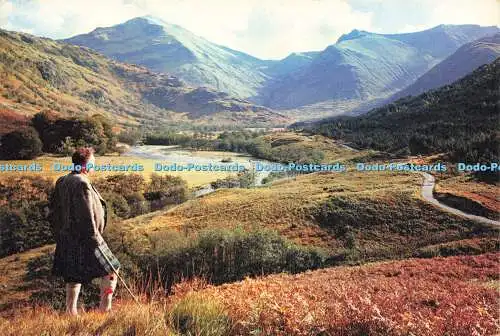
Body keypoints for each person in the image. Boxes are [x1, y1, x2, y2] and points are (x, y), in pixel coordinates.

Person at [49, 147, 120, 315]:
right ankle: (105, 309)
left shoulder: (62, 180)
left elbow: (53, 212)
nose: (95, 164)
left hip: (67, 238)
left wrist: (59, 233)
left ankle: (70, 312)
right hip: (88, 237)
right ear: (86, 164)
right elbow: (86, 215)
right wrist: (95, 239)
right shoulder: (82, 183)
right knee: (112, 269)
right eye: (93, 161)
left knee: (73, 276)